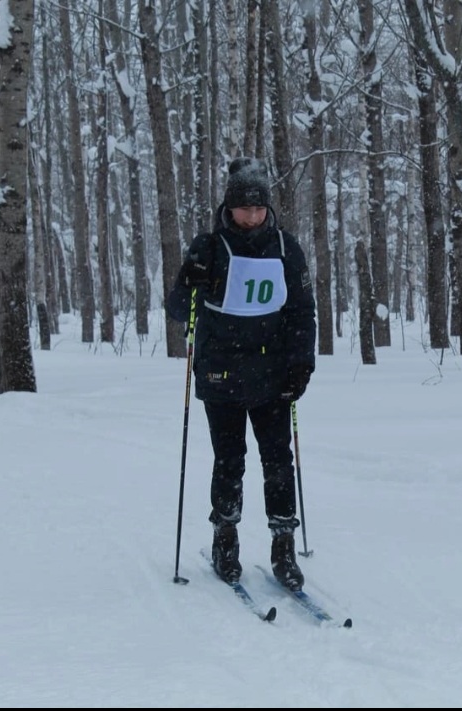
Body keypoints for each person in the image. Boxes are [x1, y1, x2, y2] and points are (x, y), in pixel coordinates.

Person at [167, 157, 316, 591]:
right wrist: (187, 281)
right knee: (229, 461)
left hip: (272, 375)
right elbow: (178, 311)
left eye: (259, 208)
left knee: (278, 461)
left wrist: (301, 364)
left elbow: (302, 311)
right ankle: (225, 538)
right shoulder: (208, 247)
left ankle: (283, 545)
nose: (252, 216)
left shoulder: (287, 248)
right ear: (229, 207)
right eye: (244, 208)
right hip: (221, 375)